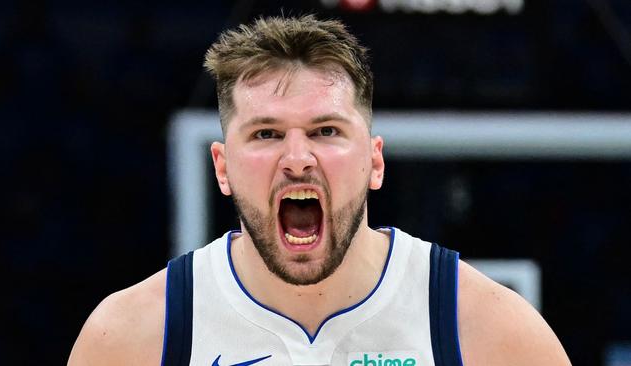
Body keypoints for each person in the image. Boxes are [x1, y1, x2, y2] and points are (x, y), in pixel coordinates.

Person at [68, 15, 572, 366]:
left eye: (325, 131)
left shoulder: (489, 330)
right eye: (266, 134)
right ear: (222, 167)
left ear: (375, 161)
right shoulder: (132, 337)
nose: (297, 158)